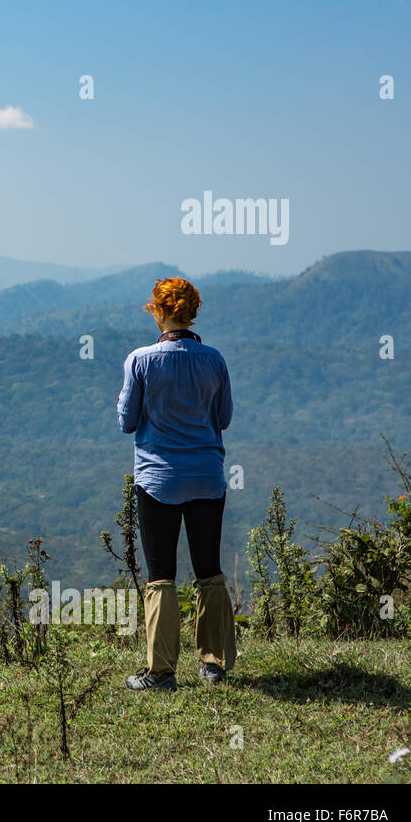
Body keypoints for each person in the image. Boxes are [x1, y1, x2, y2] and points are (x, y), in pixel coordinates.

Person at [116, 277, 236, 691]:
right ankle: (215, 662)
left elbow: (127, 421)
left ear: (159, 311)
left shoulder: (140, 361)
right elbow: (223, 418)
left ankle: (161, 671)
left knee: (161, 574)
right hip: (206, 475)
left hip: (158, 479)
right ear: (193, 312)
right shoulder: (214, 360)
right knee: (209, 569)